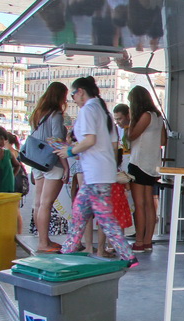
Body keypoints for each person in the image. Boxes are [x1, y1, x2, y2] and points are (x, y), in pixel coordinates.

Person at [54, 76, 138, 268]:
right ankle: (69, 247)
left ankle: (127, 255)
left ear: (81, 91)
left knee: (103, 217)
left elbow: (89, 140)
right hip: (101, 172)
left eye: (73, 94)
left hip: (96, 174)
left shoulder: (88, 111)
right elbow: (108, 143)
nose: (72, 99)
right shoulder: (103, 112)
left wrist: (69, 150)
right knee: (80, 212)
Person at [29, 81, 69, 252]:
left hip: (36, 161)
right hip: (52, 162)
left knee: (38, 203)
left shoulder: (37, 114)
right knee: (46, 203)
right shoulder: (56, 115)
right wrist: (66, 166)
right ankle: (44, 243)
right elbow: (57, 141)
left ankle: (42, 239)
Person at [127, 86, 166, 253]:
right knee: (150, 204)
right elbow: (163, 140)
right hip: (153, 165)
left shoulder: (144, 116)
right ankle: (148, 241)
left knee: (140, 204)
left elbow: (131, 136)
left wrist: (131, 120)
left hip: (138, 162)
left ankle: (139, 241)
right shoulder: (158, 117)